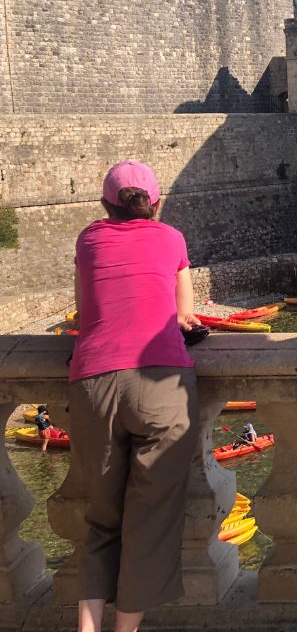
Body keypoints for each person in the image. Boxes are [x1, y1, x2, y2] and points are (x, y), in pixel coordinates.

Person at [69, 160, 201, 632]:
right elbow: (185, 314)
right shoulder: (171, 239)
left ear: (105, 205)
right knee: (150, 524)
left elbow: (87, 311)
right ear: (156, 203)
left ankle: (88, 628)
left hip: (94, 382)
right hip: (162, 384)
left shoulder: (88, 240)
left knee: (101, 519)